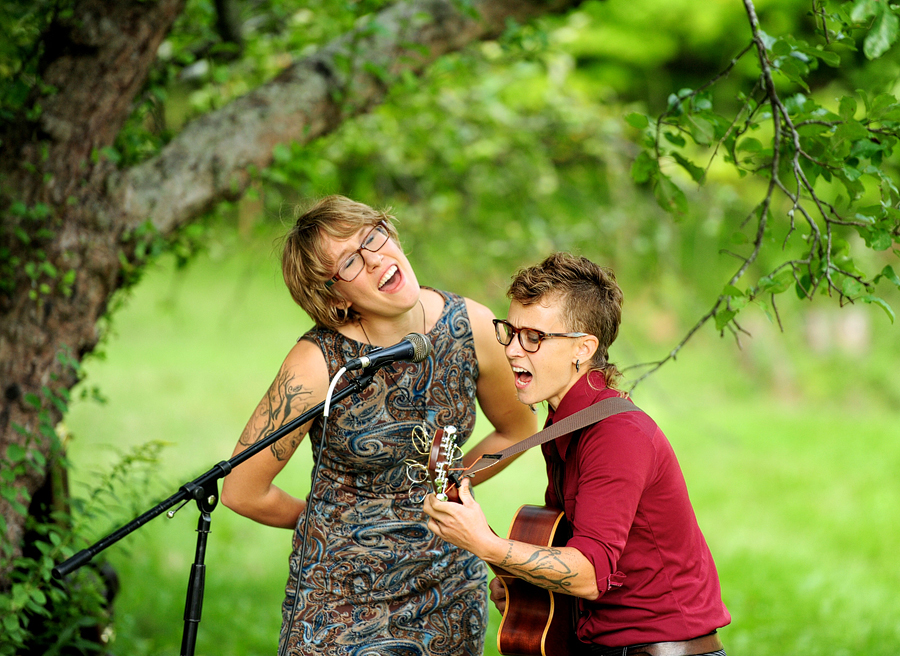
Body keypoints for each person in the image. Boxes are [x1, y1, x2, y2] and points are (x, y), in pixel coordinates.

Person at [220, 195, 537, 656]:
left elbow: (519, 427)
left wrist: (449, 486)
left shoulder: (471, 324)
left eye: (373, 235)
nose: (374, 258)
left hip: (447, 585)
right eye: (349, 261)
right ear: (334, 296)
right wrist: (324, 525)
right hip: (340, 599)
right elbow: (241, 490)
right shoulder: (317, 364)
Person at [423, 252, 731, 656]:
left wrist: (487, 545)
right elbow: (567, 547)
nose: (513, 350)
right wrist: (521, 583)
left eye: (533, 337)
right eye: (509, 331)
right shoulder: (564, 423)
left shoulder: (617, 434)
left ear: (583, 349)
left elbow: (589, 574)